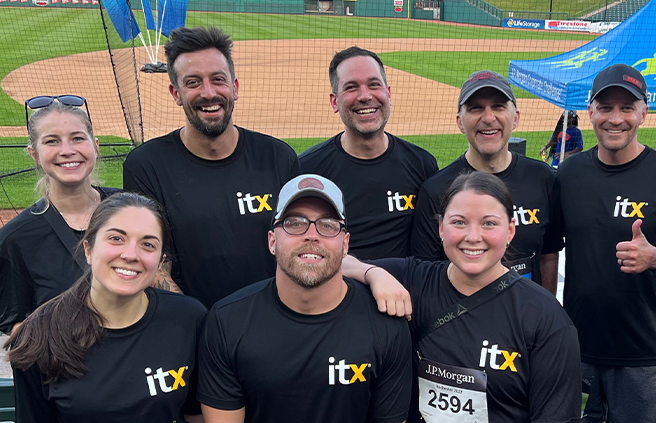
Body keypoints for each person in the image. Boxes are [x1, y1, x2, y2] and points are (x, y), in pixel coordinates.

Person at [345, 171, 582, 423]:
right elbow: (337, 262)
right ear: (440, 227)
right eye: (459, 222)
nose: (473, 236)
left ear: (511, 230)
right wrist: (371, 273)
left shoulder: (545, 316)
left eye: (488, 223)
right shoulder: (413, 279)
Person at [198, 174, 412, 423]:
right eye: (295, 223)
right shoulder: (227, 320)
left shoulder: (386, 323)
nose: (311, 235)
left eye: (327, 225)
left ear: (345, 243)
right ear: (272, 240)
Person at [6, 192, 216, 423]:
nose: (131, 254)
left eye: (148, 244)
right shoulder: (41, 335)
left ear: (160, 260)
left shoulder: (188, 319)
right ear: (89, 249)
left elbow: (197, 419)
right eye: (116, 238)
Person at [557, 64, 656, 423]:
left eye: (627, 107)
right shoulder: (570, 173)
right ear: (590, 111)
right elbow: (547, 249)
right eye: (605, 107)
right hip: (578, 345)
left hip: (640, 351)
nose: (615, 118)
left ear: (644, 112)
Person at [124, 26, 300, 307]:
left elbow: (299, 247)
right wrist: (200, 325)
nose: (208, 93)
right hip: (195, 329)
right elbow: (152, 261)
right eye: (193, 82)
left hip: (273, 322)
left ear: (235, 87)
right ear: (176, 93)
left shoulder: (278, 157)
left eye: (218, 80)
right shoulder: (147, 165)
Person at [410, 70, 562, 294]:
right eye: (476, 108)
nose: (488, 117)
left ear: (516, 118)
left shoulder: (543, 178)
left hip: (527, 321)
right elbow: (425, 273)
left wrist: (549, 311)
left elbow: (549, 255)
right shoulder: (436, 190)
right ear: (460, 122)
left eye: (499, 106)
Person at [298, 46, 438, 259]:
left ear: (388, 93)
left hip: (406, 290)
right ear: (334, 101)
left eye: (374, 85)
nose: (365, 96)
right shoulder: (307, 171)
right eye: (351, 87)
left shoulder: (422, 164)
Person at [0, 96, 120, 335]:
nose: (67, 151)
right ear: (34, 154)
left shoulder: (131, 211)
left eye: (77, 138)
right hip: (69, 367)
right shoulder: (15, 238)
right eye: (52, 141)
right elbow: (12, 323)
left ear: (95, 146)